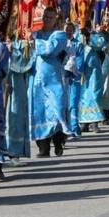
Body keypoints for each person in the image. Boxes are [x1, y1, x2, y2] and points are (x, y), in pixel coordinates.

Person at [30, 8, 71, 157]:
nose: (47, 19)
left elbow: (50, 49)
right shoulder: (36, 34)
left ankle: (59, 141)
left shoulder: (59, 35)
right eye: (45, 16)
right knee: (39, 112)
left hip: (53, 79)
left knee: (56, 109)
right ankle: (43, 147)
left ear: (56, 19)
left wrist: (34, 43)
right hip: (36, 80)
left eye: (50, 17)